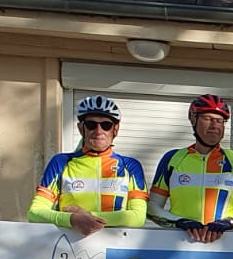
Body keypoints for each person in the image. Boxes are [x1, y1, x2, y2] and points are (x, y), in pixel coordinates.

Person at [147, 94, 233, 243]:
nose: (214, 125)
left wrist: (230, 223)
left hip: (226, 245)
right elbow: (152, 208)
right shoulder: (172, 159)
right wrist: (179, 222)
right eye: (207, 118)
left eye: (219, 120)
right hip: (179, 244)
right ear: (193, 120)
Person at [29, 96, 148, 235]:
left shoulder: (130, 166)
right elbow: (34, 213)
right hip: (71, 245)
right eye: (91, 124)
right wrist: (72, 219)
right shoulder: (61, 162)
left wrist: (86, 216)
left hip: (115, 246)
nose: (98, 131)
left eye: (106, 125)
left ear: (115, 129)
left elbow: (138, 217)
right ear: (81, 128)